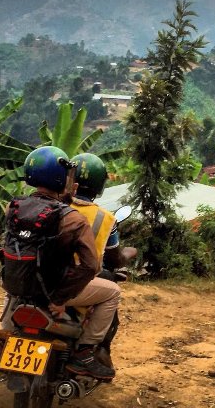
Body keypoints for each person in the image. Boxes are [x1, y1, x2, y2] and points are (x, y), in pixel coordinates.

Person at [0, 146, 120, 380]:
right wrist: (60, 299)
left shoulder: (13, 208)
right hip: (54, 291)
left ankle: (3, 342)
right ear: (62, 179)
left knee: (11, 288)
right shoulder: (74, 219)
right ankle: (85, 352)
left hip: (21, 285)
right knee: (113, 292)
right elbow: (90, 266)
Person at [70, 153, 137, 366]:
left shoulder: (51, 206)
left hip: (39, 278)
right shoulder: (106, 218)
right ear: (99, 187)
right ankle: (86, 349)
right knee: (112, 294)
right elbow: (114, 258)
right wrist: (127, 254)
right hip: (75, 284)